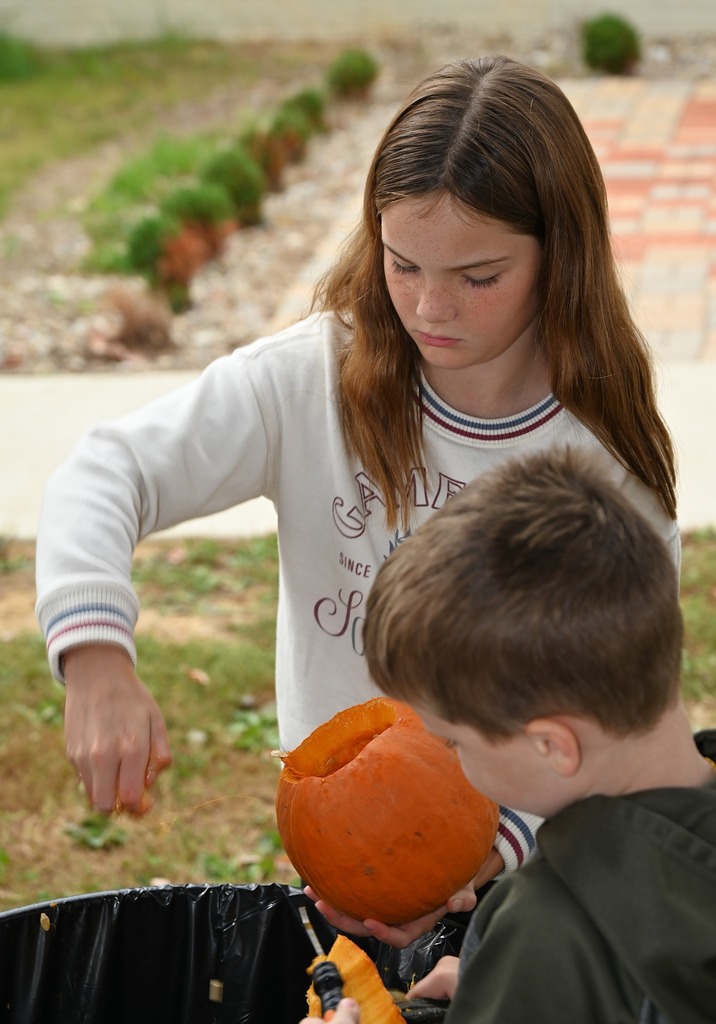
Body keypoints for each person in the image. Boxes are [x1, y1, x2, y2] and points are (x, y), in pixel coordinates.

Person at [35, 55, 679, 936]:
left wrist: (491, 852)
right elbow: (108, 472)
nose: (428, 307)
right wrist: (95, 658)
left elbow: (622, 724)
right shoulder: (310, 382)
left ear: (559, 257)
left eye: (477, 276)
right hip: (341, 854)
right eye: (402, 263)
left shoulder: (604, 473)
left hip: (536, 892)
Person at [342, 447, 713, 1024]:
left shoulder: (546, 926)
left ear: (552, 746)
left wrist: (526, 977)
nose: (453, 763)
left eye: (455, 743)